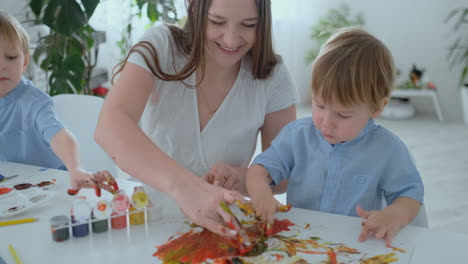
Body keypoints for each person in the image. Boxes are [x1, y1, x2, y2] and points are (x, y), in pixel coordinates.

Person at [94, 0, 298, 237]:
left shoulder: (273, 75)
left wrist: (240, 178)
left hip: (223, 222)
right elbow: (109, 124)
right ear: (193, 8)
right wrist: (185, 188)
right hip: (147, 215)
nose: (231, 40)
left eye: (248, 25)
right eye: (217, 22)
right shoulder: (162, 45)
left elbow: (283, 175)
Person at [246, 28, 424, 246]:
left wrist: (393, 216)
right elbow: (259, 169)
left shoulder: (388, 150)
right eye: (319, 105)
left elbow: (410, 194)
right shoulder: (297, 136)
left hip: (355, 243)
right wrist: (261, 192)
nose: (326, 122)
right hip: (300, 239)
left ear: (377, 107)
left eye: (343, 114)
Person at [0, 12, 116, 193]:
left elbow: (59, 135)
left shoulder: (35, 102)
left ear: (25, 61)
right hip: (11, 192)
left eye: (11, 57)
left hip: (51, 187)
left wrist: (75, 168)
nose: (2, 66)